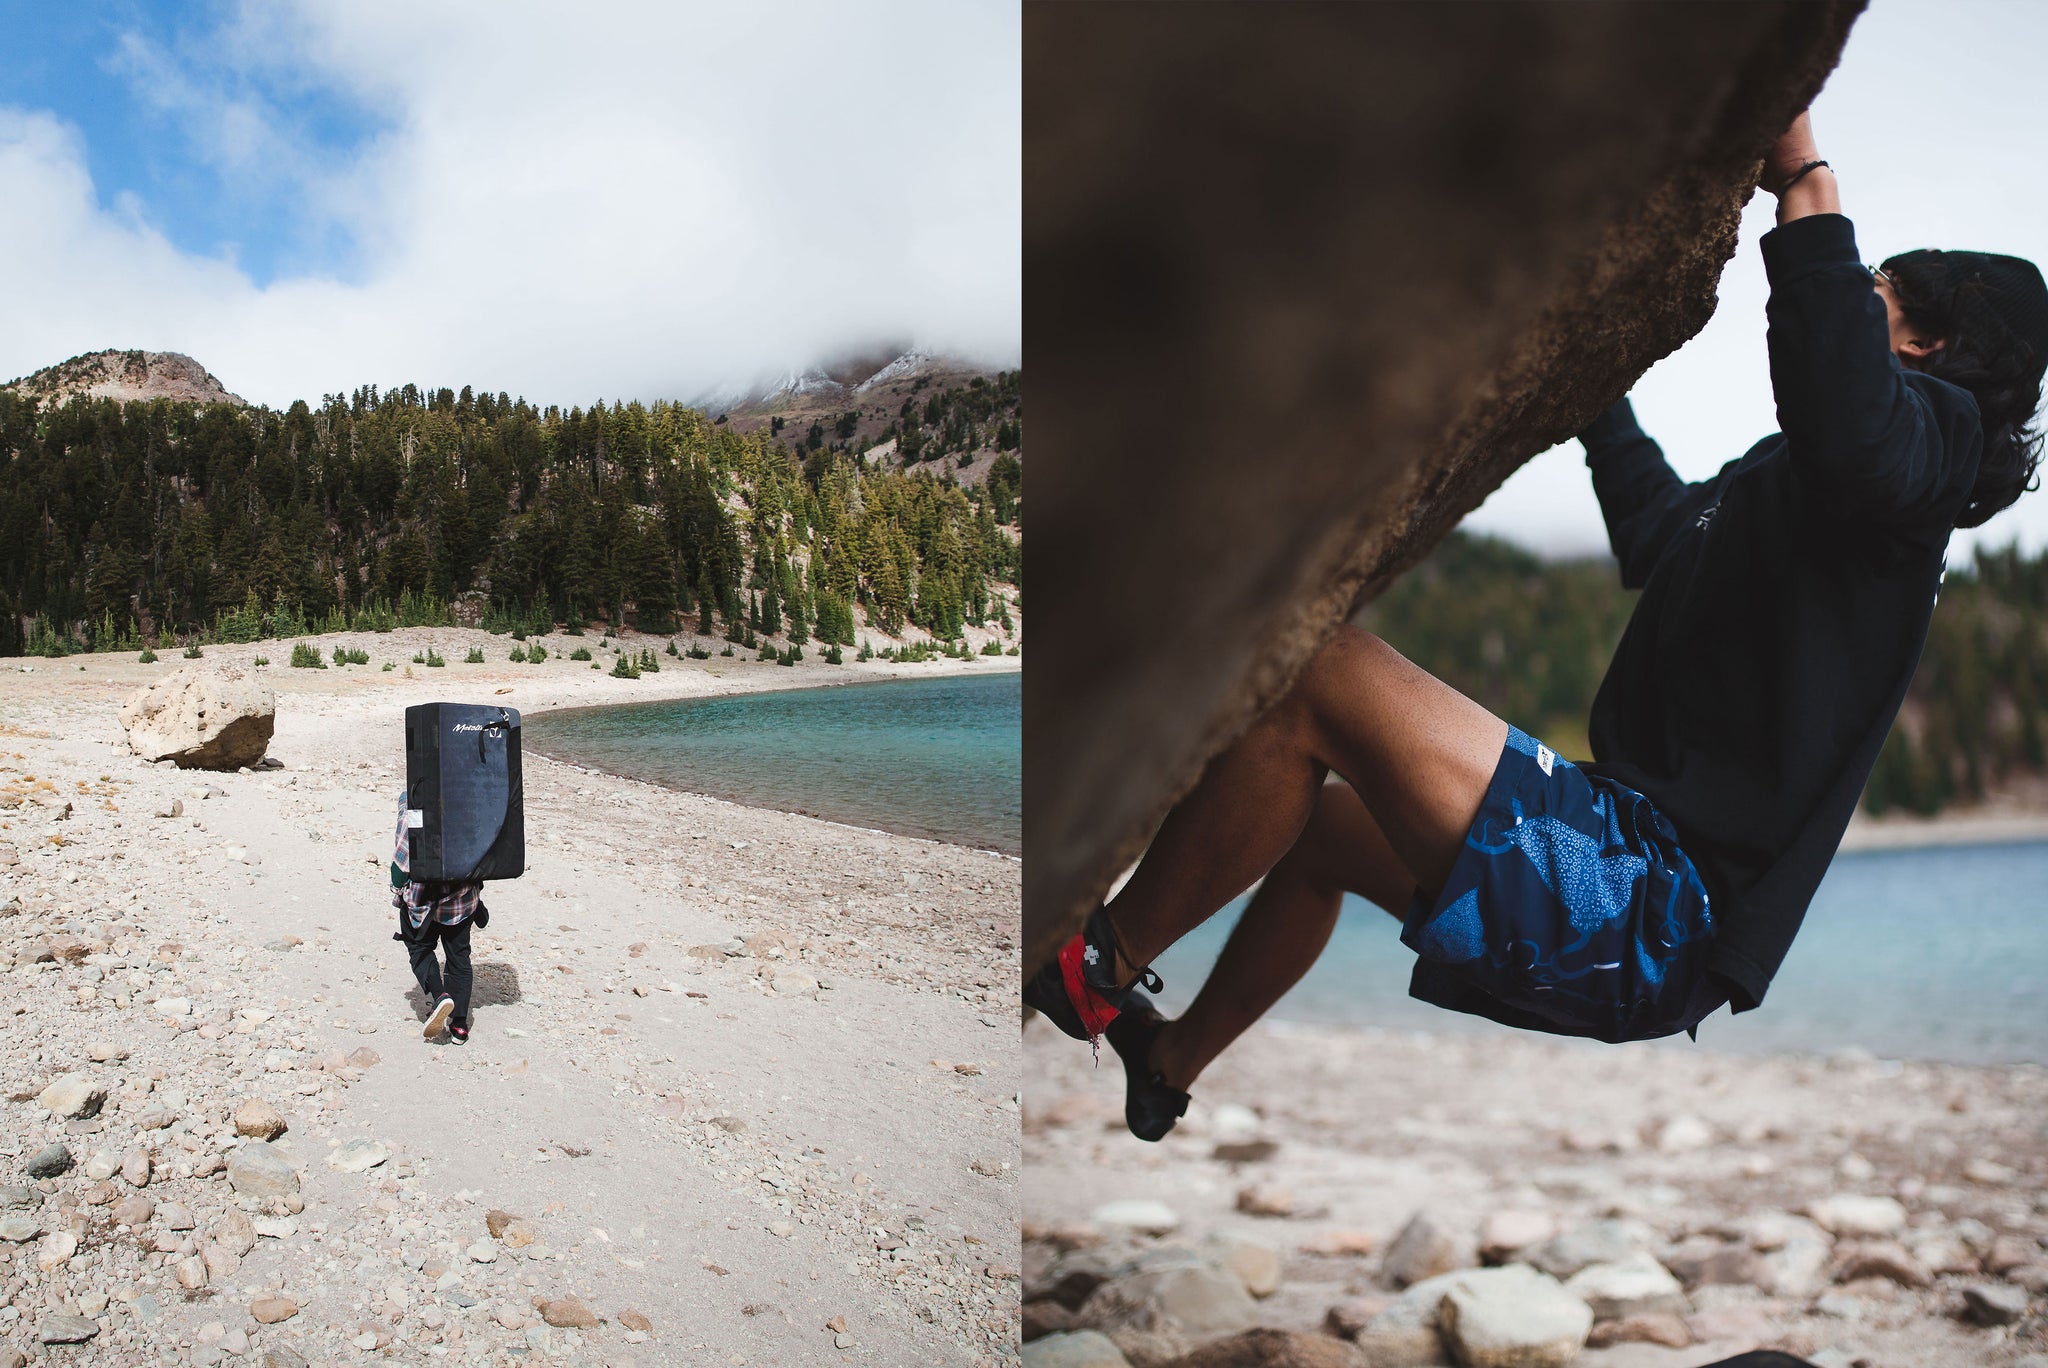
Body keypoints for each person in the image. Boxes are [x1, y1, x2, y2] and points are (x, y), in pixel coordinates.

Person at [1026, 111, 2048, 1141]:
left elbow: (1844, 410)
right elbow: (1657, 531)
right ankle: (1166, 1062)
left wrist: (1805, 186)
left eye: (1869, 300)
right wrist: (1591, 384)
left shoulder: (1935, 456)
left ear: (1923, 342)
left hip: (1654, 910)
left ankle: (1094, 967)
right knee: (1321, 834)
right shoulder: (1816, 484)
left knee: (1315, 675)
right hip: (1627, 882)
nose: (1850, 306)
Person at [390, 790, 489, 1043]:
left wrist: (397, 889)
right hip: (463, 899)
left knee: (418, 947)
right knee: (459, 957)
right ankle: (460, 1026)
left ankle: (440, 995)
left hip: (424, 902)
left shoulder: (414, 804)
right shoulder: (472, 800)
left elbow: (402, 863)